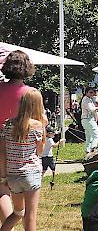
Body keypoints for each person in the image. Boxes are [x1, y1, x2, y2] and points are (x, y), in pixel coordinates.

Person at [0, 88, 47, 231]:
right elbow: (40, 151)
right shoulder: (37, 126)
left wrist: (3, 176)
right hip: (31, 173)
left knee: (18, 212)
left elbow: (2, 152)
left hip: (13, 174)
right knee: (30, 216)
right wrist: (43, 128)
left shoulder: (7, 125)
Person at [0, 50, 35, 224]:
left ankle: (8, 225)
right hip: (21, 148)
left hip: (1, 143)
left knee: (1, 189)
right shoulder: (31, 93)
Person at [81, 86, 98, 153]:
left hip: (87, 119)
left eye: (93, 92)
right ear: (86, 92)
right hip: (88, 119)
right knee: (96, 135)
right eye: (90, 92)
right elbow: (91, 109)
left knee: (89, 136)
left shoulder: (89, 99)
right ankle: (93, 149)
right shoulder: (86, 99)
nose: (92, 94)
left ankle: (87, 150)